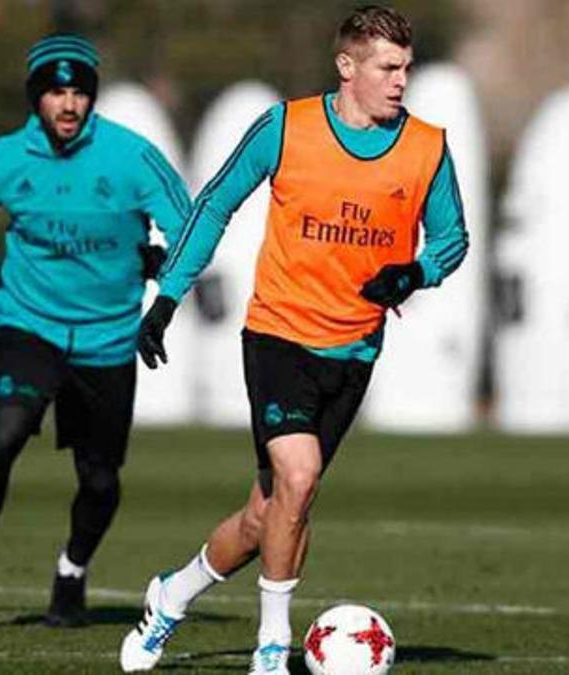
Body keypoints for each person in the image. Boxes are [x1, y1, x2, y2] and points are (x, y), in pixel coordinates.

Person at [118, 5, 468, 673]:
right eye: (387, 68)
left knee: (269, 514)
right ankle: (272, 646)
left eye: (406, 69)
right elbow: (214, 203)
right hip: (278, 335)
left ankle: (171, 594)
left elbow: (454, 240)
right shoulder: (287, 127)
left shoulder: (427, 147)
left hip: (355, 351)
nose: (400, 82)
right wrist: (166, 300)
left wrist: (415, 271)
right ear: (348, 66)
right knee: (299, 477)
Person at [0, 33, 190, 629]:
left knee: (101, 479)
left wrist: (175, 271)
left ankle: (72, 572)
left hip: (108, 340)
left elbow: (188, 219)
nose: (69, 104)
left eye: (80, 91)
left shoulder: (130, 157)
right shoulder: (4, 159)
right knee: (6, 430)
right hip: (31, 327)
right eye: (56, 91)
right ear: (36, 97)